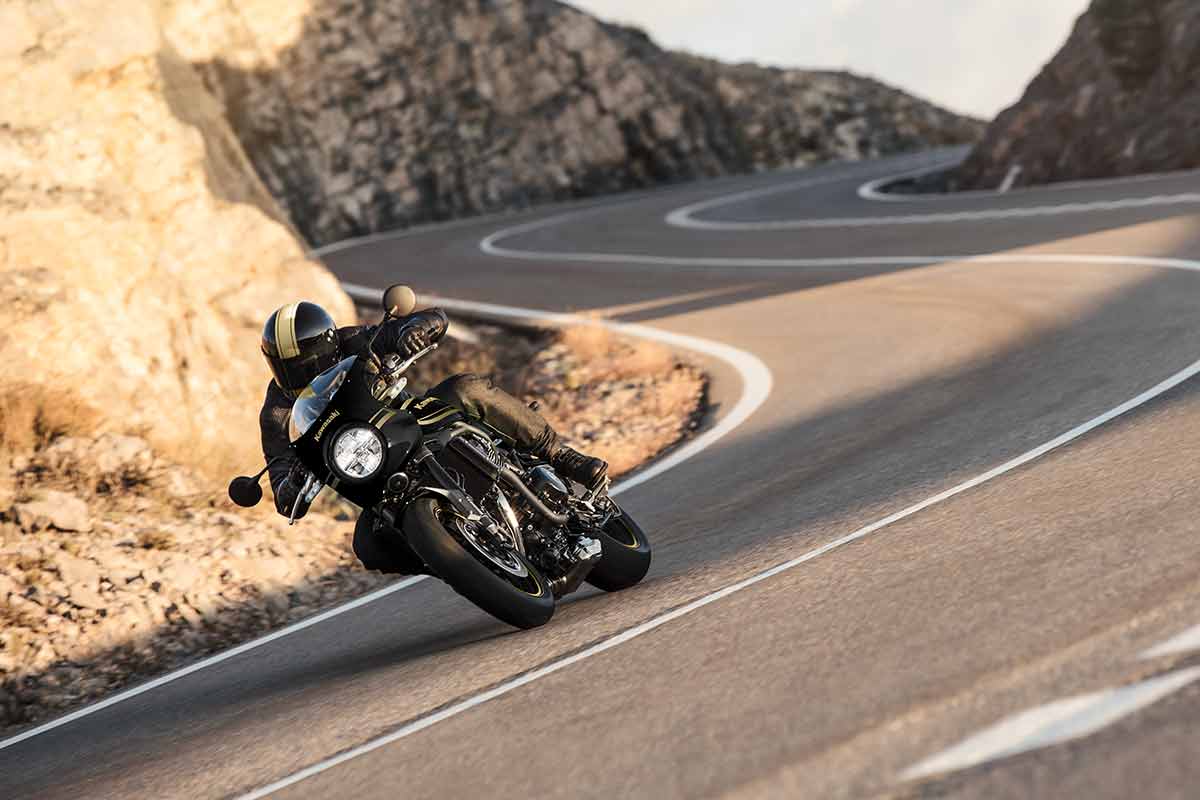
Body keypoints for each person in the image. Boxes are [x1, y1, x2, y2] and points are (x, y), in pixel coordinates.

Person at [258, 299, 608, 574]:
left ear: (329, 346)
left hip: (413, 420)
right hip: (369, 472)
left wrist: (416, 329)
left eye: (308, 364)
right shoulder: (277, 414)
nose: (301, 375)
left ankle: (562, 456)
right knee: (367, 544)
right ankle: (455, 560)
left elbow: (430, 318)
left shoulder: (355, 341)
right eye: (288, 368)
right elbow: (282, 492)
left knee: (466, 387)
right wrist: (292, 483)